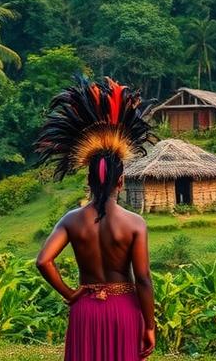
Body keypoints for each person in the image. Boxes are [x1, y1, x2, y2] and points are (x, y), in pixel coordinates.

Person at [35, 76, 157, 361]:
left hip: (86, 310)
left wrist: (69, 293)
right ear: (121, 182)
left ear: (89, 180)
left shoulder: (71, 220)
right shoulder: (134, 224)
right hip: (124, 310)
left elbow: (43, 261)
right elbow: (143, 279)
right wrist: (149, 325)